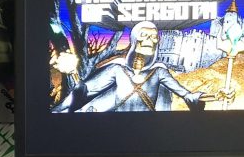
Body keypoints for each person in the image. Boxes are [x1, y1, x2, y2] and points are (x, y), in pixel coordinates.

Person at [52, 21, 224, 112]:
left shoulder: (159, 72)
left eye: (154, 37)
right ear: (135, 40)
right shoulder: (117, 69)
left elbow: (188, 95)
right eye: (144, 35)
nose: (150, 40)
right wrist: (72, 72)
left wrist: (217, 96)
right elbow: (84, 92)